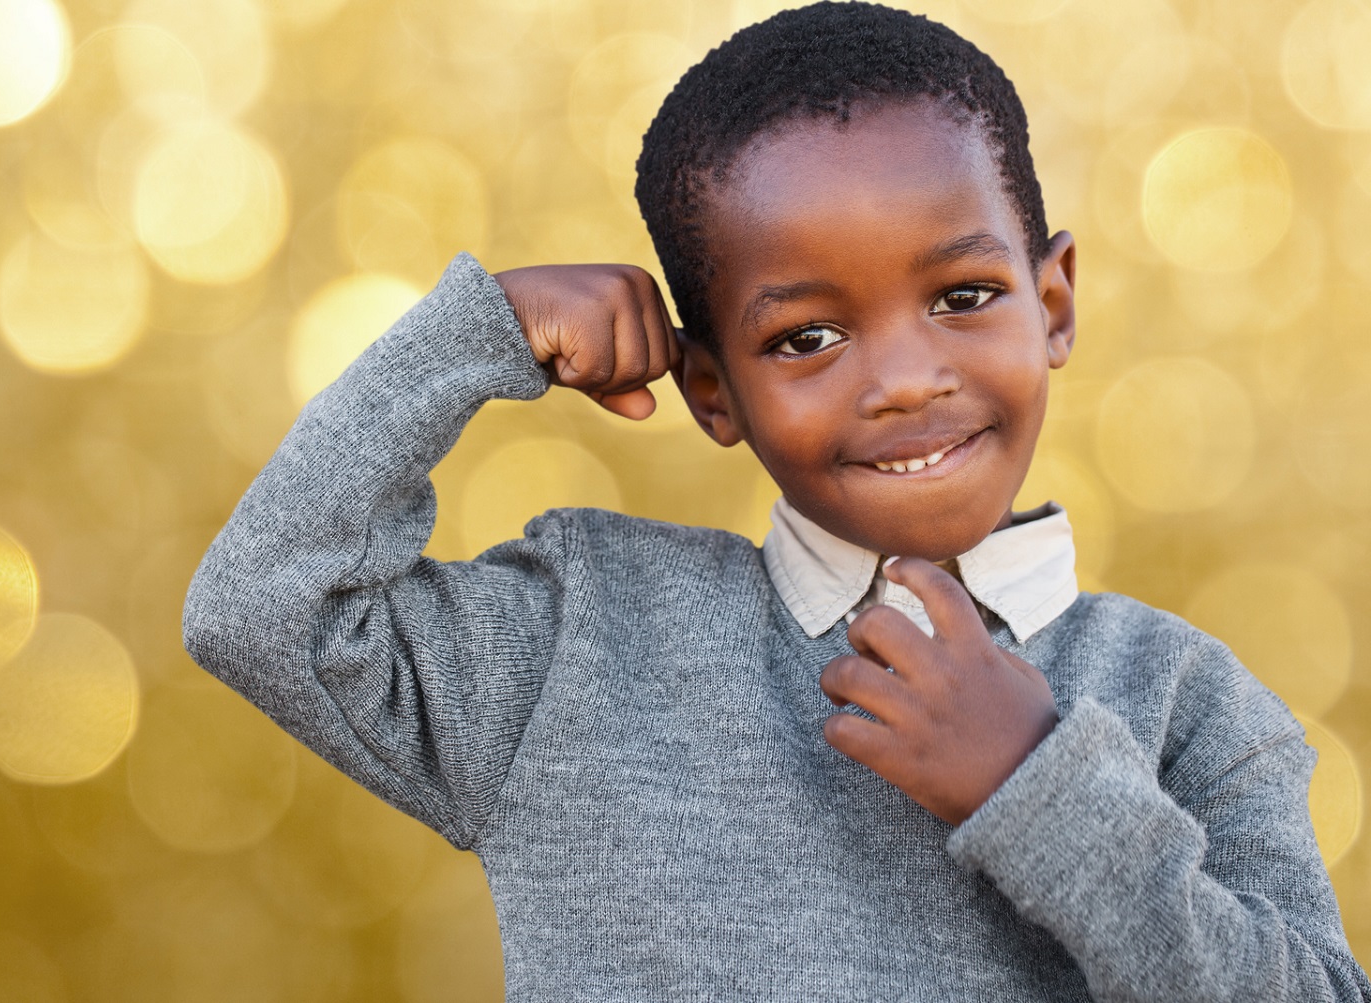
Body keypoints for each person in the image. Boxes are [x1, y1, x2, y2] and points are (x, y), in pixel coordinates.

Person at [182, 2, 1370, 998]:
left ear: (1052, 301)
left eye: (962, 296)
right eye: (807, 336)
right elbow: (262, 608)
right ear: (713, 388)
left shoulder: (1186, 700)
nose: (906, 380)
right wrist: (474, 337)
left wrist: (1038, 782)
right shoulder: (577, 641)